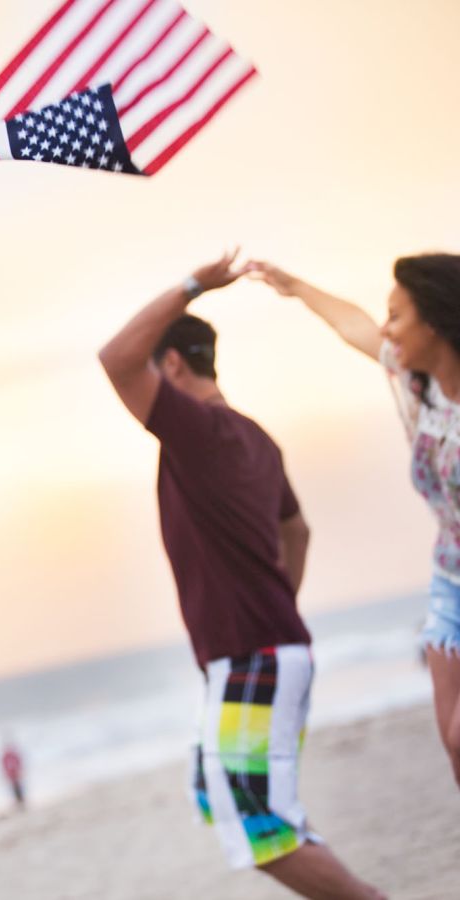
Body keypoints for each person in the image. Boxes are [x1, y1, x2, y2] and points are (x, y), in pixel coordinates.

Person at [98, 251, 385, 899]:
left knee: (262, 831)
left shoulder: (195, 432)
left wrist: (196, 285)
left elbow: (115, 358)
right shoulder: (256, 438)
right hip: (265, 648)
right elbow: (298, 530)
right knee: (218, 794)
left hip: (253, 653)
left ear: (172, 365)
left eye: (155, 370)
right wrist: (275, 603)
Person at [250, 254, 460, 792]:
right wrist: (295, 284)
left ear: (434, 321)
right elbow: (355, 327)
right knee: (453, 742)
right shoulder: (420, 384)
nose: (387, 328)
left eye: (398, 316)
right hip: (449, 578)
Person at [0, 738, 26, 809]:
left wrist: (20, 770)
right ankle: (19, 802)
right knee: (14, 788)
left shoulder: (11, 755)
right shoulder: (5, 757)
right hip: (11, 774)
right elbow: (4, 766)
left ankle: (22, 801)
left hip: (15, 773)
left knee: (19, 787)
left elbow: (18, 762)